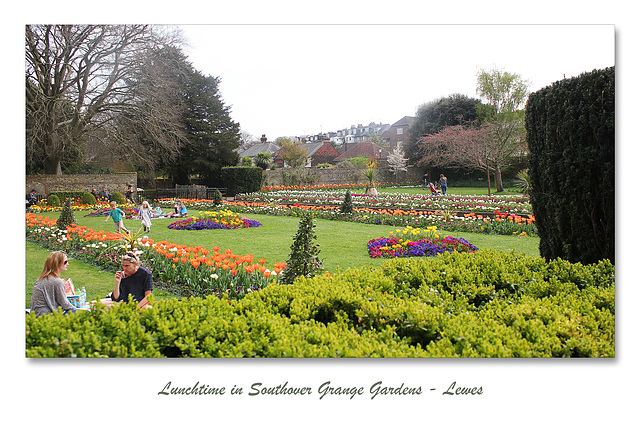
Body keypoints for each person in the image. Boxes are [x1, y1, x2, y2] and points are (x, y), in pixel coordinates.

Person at [30, 251, 78, 316]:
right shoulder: (57, 282)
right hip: (49, 316)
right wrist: (80, 311)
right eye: (65, 262)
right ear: (57, 263)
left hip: (36, 315)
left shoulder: (41, 279)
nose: (68, 264)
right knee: (75, 313)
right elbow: (65, 304)